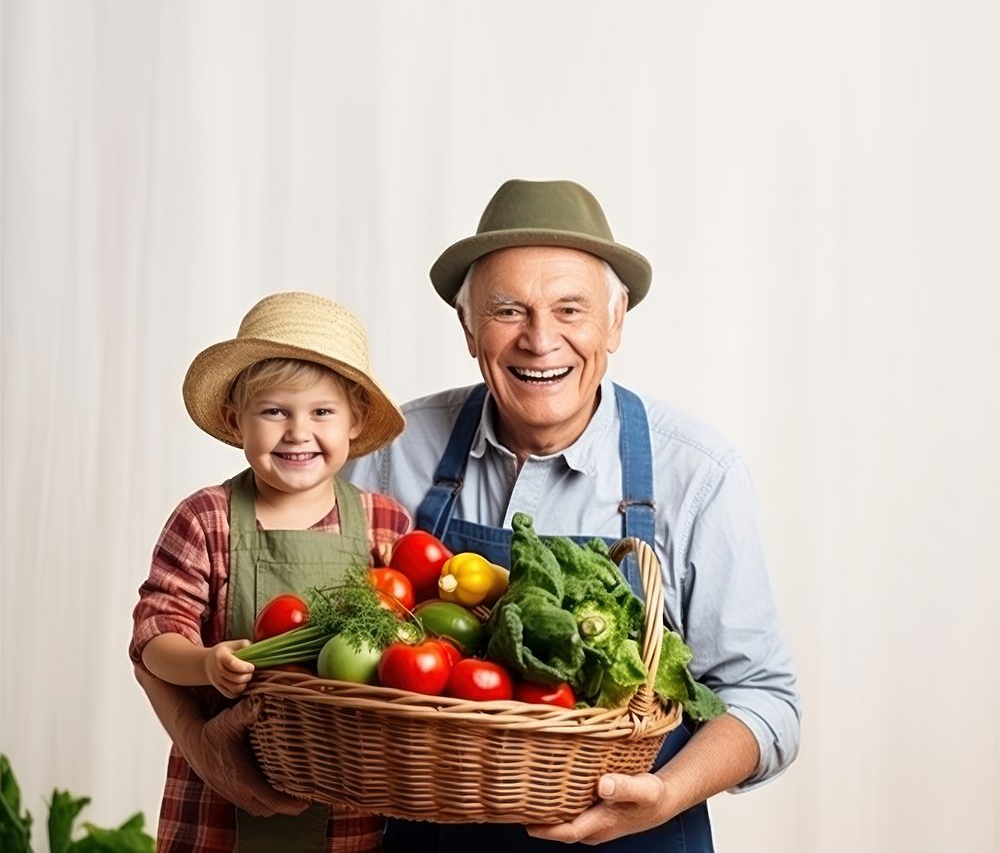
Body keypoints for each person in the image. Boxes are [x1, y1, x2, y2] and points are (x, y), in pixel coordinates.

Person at [343, 179, 801, 851]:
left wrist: (666, 795)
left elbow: (766, 701)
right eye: (508, 311)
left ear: (615, 322)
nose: (540, 339)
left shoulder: (697, 473)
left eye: (569, 309)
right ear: (469, 327)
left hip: (638, 833)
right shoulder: (393, 451)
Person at [130, 290, 412, 853]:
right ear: (238, 422)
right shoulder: (206, 517)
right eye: (274, 411)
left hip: (347, 806)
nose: (297, 432)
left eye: (322, 412)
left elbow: (409, 639)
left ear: (355, 420)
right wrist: (205, 662)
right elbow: (152, 638)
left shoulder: (384, 522)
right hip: (215, 807)